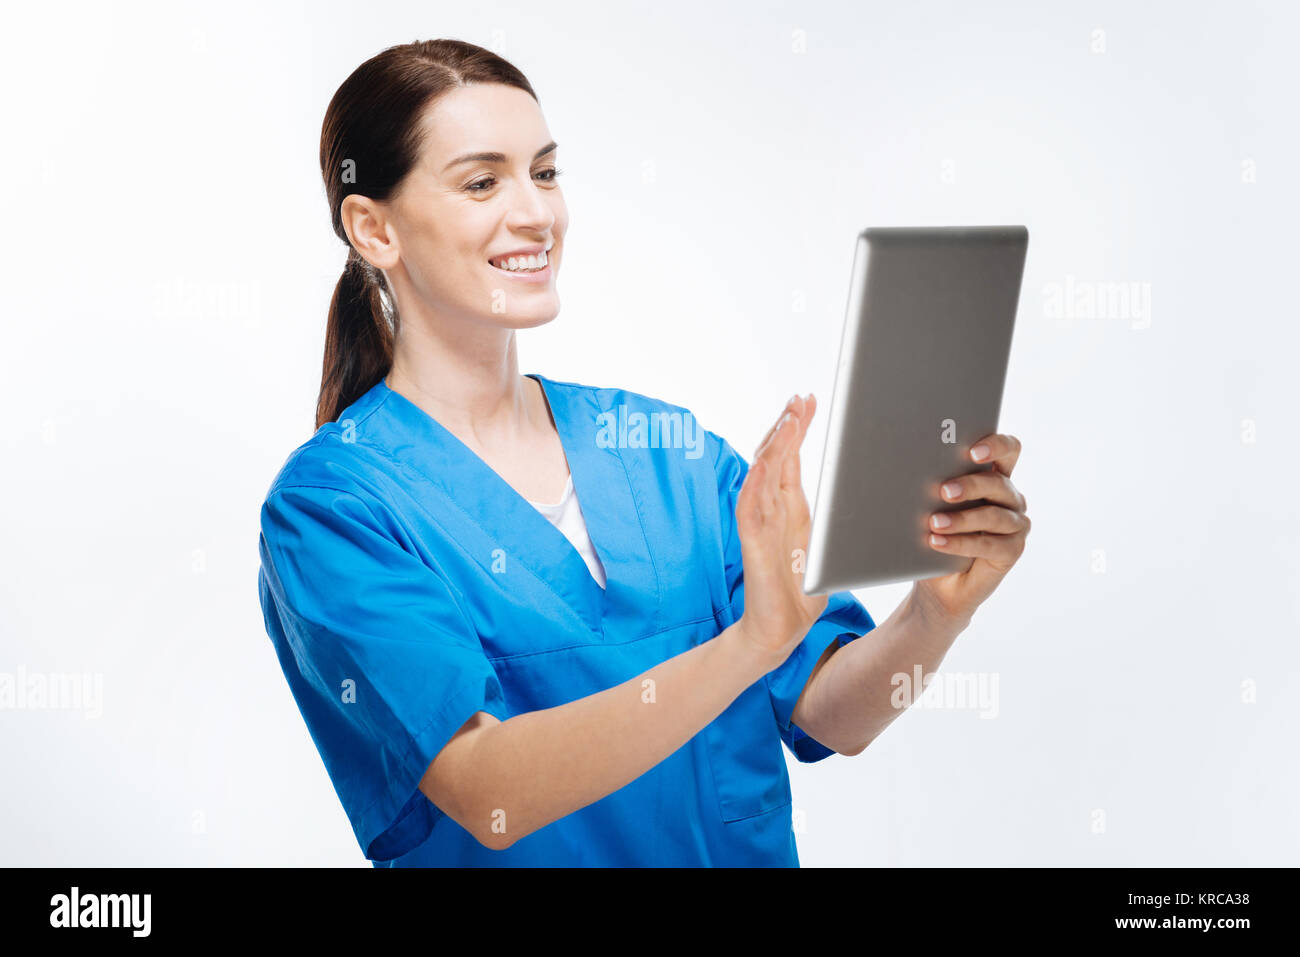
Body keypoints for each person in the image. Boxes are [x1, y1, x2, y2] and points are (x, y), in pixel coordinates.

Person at [256, 39, 1032, 867]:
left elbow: (829, 713)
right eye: (483, 182)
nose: (536, 214)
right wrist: (748, 644)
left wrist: (936, 611)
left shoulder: (668, 454)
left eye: (545, 173)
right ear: (372, 228)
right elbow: (488, 790)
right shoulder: (335, 507)